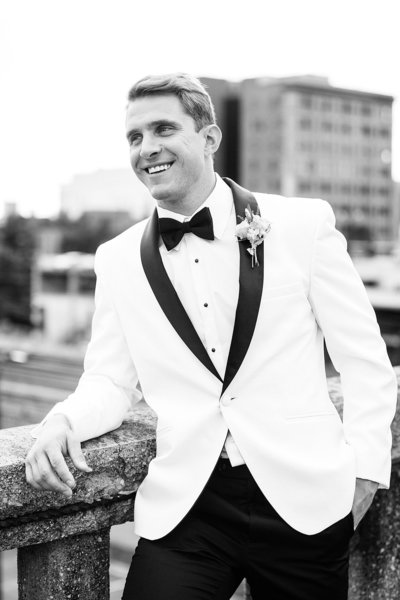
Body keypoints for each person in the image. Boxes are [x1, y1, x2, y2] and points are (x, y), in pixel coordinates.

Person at [25, 73, 397, 600]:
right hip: (190, 509)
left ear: (209, 138)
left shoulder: (301, 225)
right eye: (134, 137)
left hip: (305, 506)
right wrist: (63, 419)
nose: (147, 148)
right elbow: (110, 378)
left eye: (163, 129)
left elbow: (364, 359)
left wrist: (365, 476)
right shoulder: (116, 259)